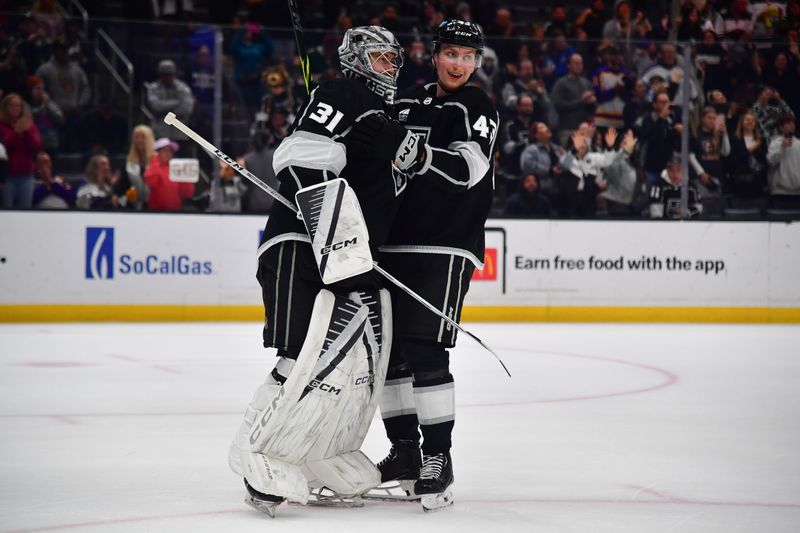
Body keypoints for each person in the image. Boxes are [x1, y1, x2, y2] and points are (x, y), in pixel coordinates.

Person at [227, 26, 412, 516]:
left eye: (394, 59)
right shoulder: (340, 92)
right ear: (356, 59)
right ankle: (256, 454)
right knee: (297, 357)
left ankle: (315, 451)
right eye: (380, 58)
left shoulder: (384, 114)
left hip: (343, 257)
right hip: (301, 245)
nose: (391, 67)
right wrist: (339, 243)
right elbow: (300, 158)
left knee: (339, 364)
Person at [349, 19, 499, 511]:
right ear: (434, 54)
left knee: (427, 350)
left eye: (468, 56)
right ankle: (407, 455)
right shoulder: (405, 101)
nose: (459, 63)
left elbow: (468, 171)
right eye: (451, 53)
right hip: (391, 243)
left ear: (476, 63)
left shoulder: (476, 107)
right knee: (391, 354)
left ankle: (439, 457)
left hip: (445, 244)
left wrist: (416, 154)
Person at [0, 92, 42, 208]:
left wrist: (27, 131)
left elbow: (36, 147)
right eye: (12, 105)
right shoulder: (1, 125)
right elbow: (4, 149)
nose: (15, 108)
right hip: (7, 176)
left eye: (18, 105)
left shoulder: (28, 125)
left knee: (25, 209)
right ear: (5, 107)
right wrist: (16, 133)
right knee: (6, 208)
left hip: (26, 175)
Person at [146, 60, 194, 142]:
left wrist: (165, 110)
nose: (167, 77)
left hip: (180, 132)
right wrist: (177, 102)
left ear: (174, 74)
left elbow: (187, 109)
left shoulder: (182, 88)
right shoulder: (153, 87)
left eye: (170, 74)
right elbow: (155, 106)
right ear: (160, 75)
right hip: (160, 132)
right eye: (164, 75)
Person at [143, 137, 193, 212]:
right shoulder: (153, 166)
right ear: (157, 153)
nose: (168, 153)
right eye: (165, 150)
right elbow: (151, 182)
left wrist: (187, 178)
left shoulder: (176, 168)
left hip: (175, 212)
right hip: (156, 213)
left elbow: (187, 193)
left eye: (170, 151)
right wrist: (155, 161)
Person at [766, 114, 800, 204]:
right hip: (780, 191)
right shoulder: (775, 143)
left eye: (793, 123)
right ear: (781, 127)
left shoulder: (799, 143)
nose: (792, 125)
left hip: (798, 191)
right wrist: (782, 147)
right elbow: (771, 161)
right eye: (788, 123)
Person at [124, 125, 155, 210]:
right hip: (134, 206)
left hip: (155, 205)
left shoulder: (157, 160)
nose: (139, 140)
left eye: (143, 137)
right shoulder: (128, 161)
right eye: (136, 137)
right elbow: (124, 185)